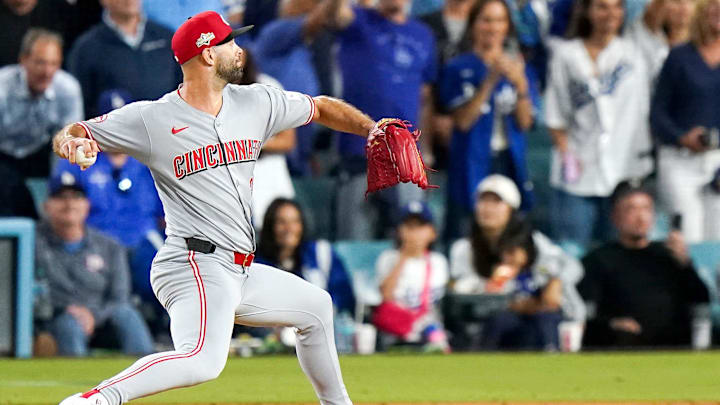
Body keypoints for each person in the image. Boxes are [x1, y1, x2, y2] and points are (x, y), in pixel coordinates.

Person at [56, 10, 394, 405]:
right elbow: (75, 130)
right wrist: (71, 143)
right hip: (192, 262)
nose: (240, 50)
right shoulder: (153, 118)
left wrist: (371, 129)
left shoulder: (256, 101)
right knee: (202, 360)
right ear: (206, 55)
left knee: (316, 307)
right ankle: (93, 400)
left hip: (239, 268)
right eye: (229, 42)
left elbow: (319, 107)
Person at [544, 0, 651, 247]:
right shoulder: (567, 54)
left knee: (621, 253)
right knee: (573, 250)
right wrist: (567, 156)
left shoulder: (634, 52)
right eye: (602, 6)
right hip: (579, 169)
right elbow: (555, 113)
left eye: (616, 6)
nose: (610, 13)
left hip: (625, 168)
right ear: (588, 11)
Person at [331, 0, 438, 239]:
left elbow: (426, 98)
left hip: (406, 155)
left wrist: (426, 151)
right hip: (359, 149)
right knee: (354, 238)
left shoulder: (423, 34)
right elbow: (336, 13)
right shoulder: (358, 20)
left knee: (408, 238)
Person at [438, 0, 541, 242]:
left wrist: (521, 85)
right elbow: (463, 122)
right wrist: (490, 81)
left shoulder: (520, 69)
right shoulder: (458, 67)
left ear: (508, 26)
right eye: (486, 20)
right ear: (473, 25)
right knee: (464, 231)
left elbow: (525, 123)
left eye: (499, 20)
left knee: (511, 235)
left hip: (509, 160)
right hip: (470, 160)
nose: (493, 27)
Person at [450, 175, 585, 351]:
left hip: (538, 314)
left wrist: (556, 282)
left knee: (542, 323)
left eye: (496, 202)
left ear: (511, 209)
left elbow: (573, 266)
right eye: (483, 201)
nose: (488, 208)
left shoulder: (534, 242)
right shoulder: (464, 249)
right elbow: (464, 294)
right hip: (489, 319)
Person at [579, 180, 710, 348]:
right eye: (631, 209)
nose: (641, 217)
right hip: (623, 344)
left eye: (646, 209)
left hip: (672, 346)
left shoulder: (670, 255)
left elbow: (701, 300)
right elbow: (586, 312)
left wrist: (685, 264)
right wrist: (612, 324)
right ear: (615, 216)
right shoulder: (598, 259)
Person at [35, 184, 154, 357]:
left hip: (104, 318)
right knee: (69, 324)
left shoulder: (109, 246)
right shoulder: (34, 243)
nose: (69, 204)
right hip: (56, 318)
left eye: (76, 197)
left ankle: (147, 374)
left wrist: (92, 315)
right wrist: (68, 310)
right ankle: (75, 380)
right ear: (46, 206)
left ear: (87, 205)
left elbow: (120, 297)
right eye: (60, 198)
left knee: (127, 315)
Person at [650, 0, 720, 243]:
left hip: (717, 160)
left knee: (717, 239)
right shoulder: (680, 56)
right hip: (679, 161)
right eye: (713, 5)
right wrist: (682, 137)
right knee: (689, 237)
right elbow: (657, 114)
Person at [0, 28, 83, 219]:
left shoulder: (67, 89)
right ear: (23, 60)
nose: (47, 72)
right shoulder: (2, 87)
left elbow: (70, 144)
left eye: (54, 64)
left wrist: (60, 189)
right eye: (40, 63)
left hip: (42, 153)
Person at [254, 0, 334, 175]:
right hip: (274, 156)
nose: (312, 7)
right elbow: (316, 21)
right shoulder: (275, 31)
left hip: (301, 154)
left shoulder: (304, 47)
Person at [67, 0, 182, 119]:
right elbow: (79, 105)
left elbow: (186, 88)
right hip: (111, 134)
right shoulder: (86, 48)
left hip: (167, 130)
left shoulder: (167, 38)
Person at [256, 198, 356, 314]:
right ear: (270, 226)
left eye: (295, 221)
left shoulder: (321, 254)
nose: (289, 228)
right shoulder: (257, 263)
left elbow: (343, 295)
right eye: (281, 222)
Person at [374, 201, 450, 352]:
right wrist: (403, 259)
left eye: (420, 227)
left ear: (432, 233)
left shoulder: (438, 261)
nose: (414, 233)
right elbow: (386, 297)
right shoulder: (388, 258)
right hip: (396, 327)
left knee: (433, 330)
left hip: (429, 326)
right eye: (409, 227)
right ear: (399, 231)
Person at [237, 49, 297, 227]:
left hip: (268, 174)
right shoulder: (211, 91)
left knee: (276, 231)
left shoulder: (268, 87)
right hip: (229, 179)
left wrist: (251, 143)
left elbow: (288, 141)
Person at [627, 0, 695, 87]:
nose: (684, 8)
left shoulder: (701, 47)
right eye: (676, 2)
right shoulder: (649, 37)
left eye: (690, 2)